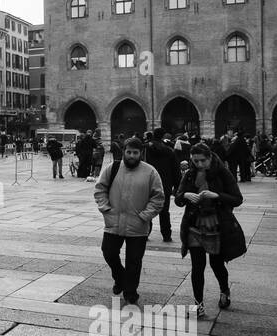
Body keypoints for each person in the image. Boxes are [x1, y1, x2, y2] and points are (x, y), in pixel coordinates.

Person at [174, 141, 246, 318]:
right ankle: (198, 305)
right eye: (195, 161)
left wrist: (216, 195)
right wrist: (185, 195)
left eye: (202, 161)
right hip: (194, 225)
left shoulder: (222, 172)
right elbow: (178, 198)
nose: (198, 164)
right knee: (197, 266)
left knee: (216, 263)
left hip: (216, 225)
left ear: (210, 158)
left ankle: (224, 290)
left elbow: (237, 198)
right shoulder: (190, 174)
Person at [93, 136, 164, 305]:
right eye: (129, 152)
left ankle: (130, 291)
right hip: (113, 222)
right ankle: (120, 277)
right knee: (108, 252)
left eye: (135, 152)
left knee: (134, 260)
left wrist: (145, 216)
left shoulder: (150, 172)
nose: (131, 156)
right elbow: (100, 189)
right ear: (124, 152)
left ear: (141, 153)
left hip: (138, 224)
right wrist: (106, 209)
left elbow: (158, 197)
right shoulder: (113, 168)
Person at [144, 127, 180, 243]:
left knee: (147, 208)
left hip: (147, 183)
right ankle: (166, 235)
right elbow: (175, 169)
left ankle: (145, 233)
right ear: (163, 136)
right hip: (165, 184)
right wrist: (177, 185)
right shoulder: (169, 151)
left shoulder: (146, 149)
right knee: (164, 211)